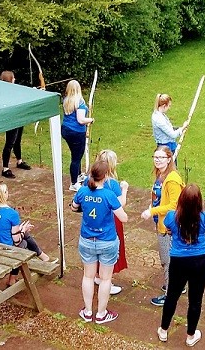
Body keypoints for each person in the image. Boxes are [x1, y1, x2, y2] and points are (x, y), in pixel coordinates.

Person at [71, 161, 128, 324]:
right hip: (107, 241)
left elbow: (74, 207)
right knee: (105, 279)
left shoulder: (82, 191)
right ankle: (101, 314)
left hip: (87, 240)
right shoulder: (109, 195)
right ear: (105, 177)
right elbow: (123, 217)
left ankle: (88, 311)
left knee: (88, 276)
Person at [157, 184, 205, 347]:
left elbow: (168, 229)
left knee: (172, 295)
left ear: (181, 200)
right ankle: (190, 335)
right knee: (195, 300)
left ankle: (163, 330)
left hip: (179, 261)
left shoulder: (171, 216)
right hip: (201, 261)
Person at [140, 145, 185, 307]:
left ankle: (169, 295)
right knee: (171, 259)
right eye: (155, 157)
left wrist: (152, 210)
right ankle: (178, 286)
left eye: (161, 157)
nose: (157, 160)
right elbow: (158, 196)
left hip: (169, 226)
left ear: (169, 159)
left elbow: (174, 206)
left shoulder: (172, 179)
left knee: (167, 260)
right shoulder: (161, 175)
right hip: (162, 222)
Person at [0, 182, 52, 270]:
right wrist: (23, 230)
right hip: (5, 249)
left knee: (20, 231)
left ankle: (43, 256)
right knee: (24, 243)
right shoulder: (12, 213)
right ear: (3, 195)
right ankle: (13, 277)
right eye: (6, 191)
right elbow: (17, 242)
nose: (7, 193)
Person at [94, 150, 129, 295]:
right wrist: (125, 189)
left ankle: (96, 275)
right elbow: (120, 203)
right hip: (111, 219)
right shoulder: (112, 184)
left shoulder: (90, 179)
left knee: (95, 247)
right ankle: (106, 281)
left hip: (95, 218)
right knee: (110, 250)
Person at [0, 70, 32, 179]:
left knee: (17, 140)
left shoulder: (14, 90)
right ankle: (5, 168)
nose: (15, 80)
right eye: (13, 78)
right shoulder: (4, 93)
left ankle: (19, 161)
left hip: (19, 118)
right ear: (10, 80)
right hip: (12, 120)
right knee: (10, 143)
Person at [62, 80, 94, 192]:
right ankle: (74, 183)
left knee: (76, 154)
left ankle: (79, 175)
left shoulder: (66, 100)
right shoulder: (79, 102)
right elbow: (80, 120)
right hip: (76, 132)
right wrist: (90, 119)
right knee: (76, 158)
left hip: (66, 130)